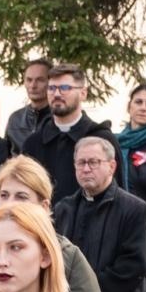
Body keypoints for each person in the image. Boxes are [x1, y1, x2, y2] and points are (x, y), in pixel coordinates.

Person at [0, 156, 112, 292]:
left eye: (22, 197)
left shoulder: (67, 255)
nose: (10, 204)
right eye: (4, 195)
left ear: (44, 206)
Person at [53, 136, 146, 292]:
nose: (86, 168)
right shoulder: (63, 208)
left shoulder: (134, 209)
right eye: (81, 163)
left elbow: (132, 267)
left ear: (112, 166)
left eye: (94, 162)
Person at [20, 64, 117, 203]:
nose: (57, 94)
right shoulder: (33, 144)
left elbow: (117, 196)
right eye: (52, 88)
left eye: (65, 88)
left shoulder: (102, 140)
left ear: (83, 93)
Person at [5, 58, 52, 153]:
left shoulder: (61, 118)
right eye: (29, 80)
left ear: (51, 82)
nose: (33, 85)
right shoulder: (15, 119)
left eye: (40, 80)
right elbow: (7, 158)